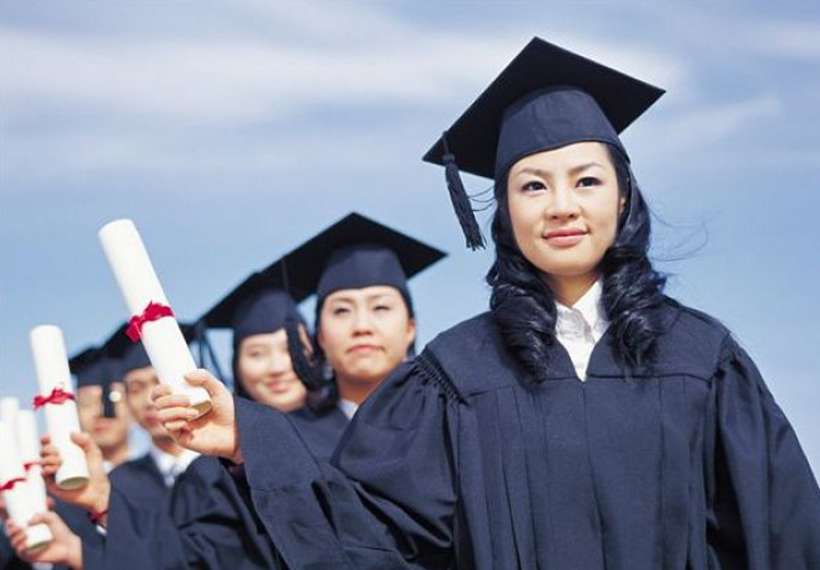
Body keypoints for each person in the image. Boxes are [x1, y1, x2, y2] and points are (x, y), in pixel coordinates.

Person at [155, 37, 820, 570]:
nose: (561, 206)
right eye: (532, 186)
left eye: (586, 181)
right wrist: (249, 439)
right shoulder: (457, 375)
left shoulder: (704, 361)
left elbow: (784, 533)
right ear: (503, 209)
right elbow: (369, 538)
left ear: (621, 195)